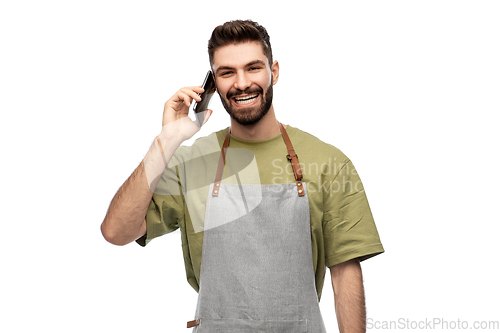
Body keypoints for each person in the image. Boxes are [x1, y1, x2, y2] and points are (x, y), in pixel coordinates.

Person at [101, 19, 384, 333]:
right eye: (226, 72)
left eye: (253, 68)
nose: (241, 83)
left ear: (273, 71)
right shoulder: (192, 162)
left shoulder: (329, 162)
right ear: (212, 83)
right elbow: (116, 232)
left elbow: (345, 274)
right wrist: (166, 141)